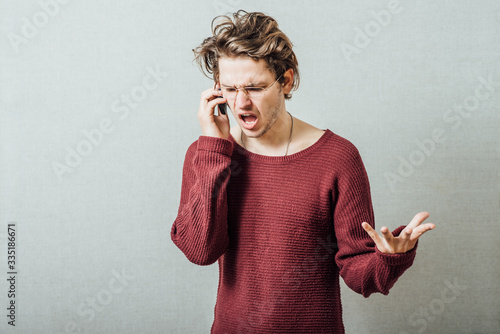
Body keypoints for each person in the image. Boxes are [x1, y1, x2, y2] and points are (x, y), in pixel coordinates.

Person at [171, 10, 435, 334]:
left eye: (254, 87)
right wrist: (213, 149)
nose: (240, 104)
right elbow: (201, 251)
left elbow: (357, 273)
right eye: (229, 89)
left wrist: (390, 258)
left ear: (286, 80)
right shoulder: (208, 155)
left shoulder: (337, 158)